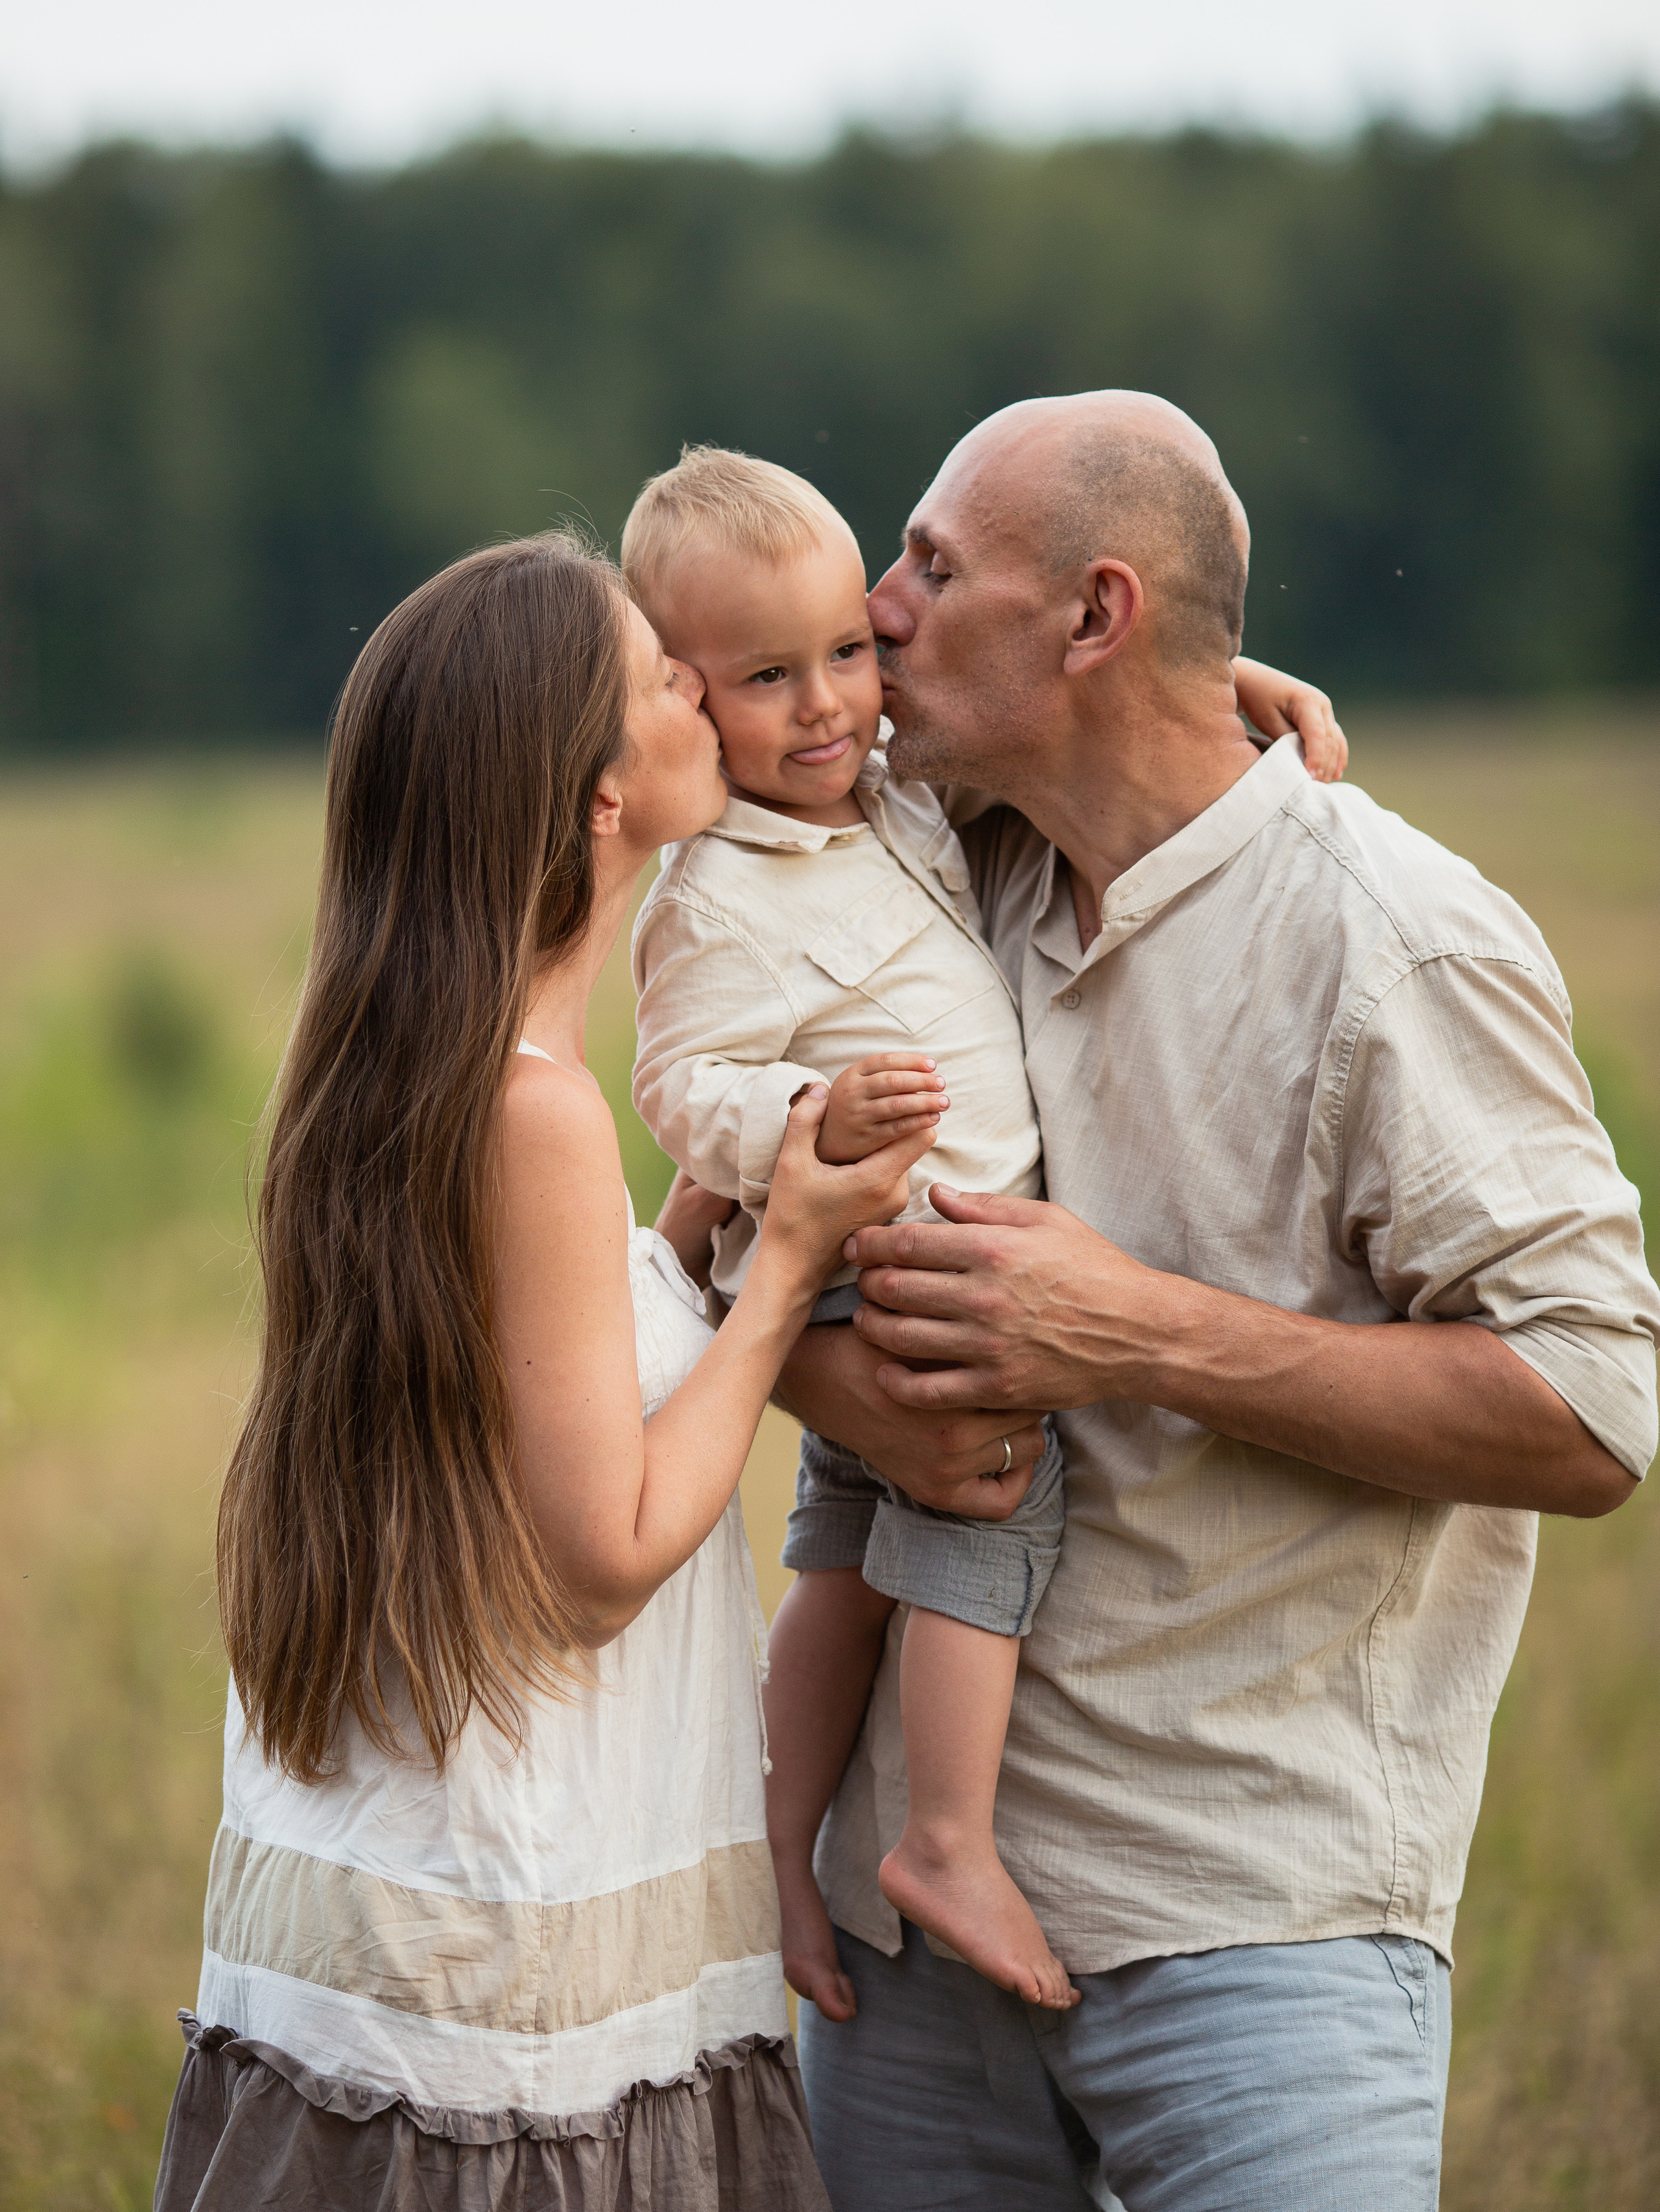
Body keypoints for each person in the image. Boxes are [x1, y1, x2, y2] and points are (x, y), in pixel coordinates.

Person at [776, 392, 1660, 2211]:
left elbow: (1593, 1409)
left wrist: (1135, 1329)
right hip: (899, 1950)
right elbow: (729, 1230)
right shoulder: (937, 865)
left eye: (935, 564)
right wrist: (830, 1380)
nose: (879, 602)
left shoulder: (1395, 936)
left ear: (1096, 620)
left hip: (1266, 1936)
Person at [153, 533, 938, 2212]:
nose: (718, 693)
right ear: (596, 795)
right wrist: (788, 1259)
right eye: (670, 676)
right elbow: (600, 1553)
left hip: (403, 1929)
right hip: (514, 1981)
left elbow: (543, 1362)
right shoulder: (531, 1112)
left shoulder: (429, 1070)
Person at [621, 447, 1344, 2021]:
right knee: (992, 1489)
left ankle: (774, 1840)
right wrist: (804, 1116)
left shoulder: (879, 795)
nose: (827, 703)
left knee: (841, 1565)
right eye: (766, 676)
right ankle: (944, 1837)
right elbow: (678, 1082)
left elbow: (1088, 697)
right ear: (680, 696)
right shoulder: (718, 889)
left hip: (882, 1256)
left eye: (846, 654)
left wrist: (1225, 684)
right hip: (892, 1256)